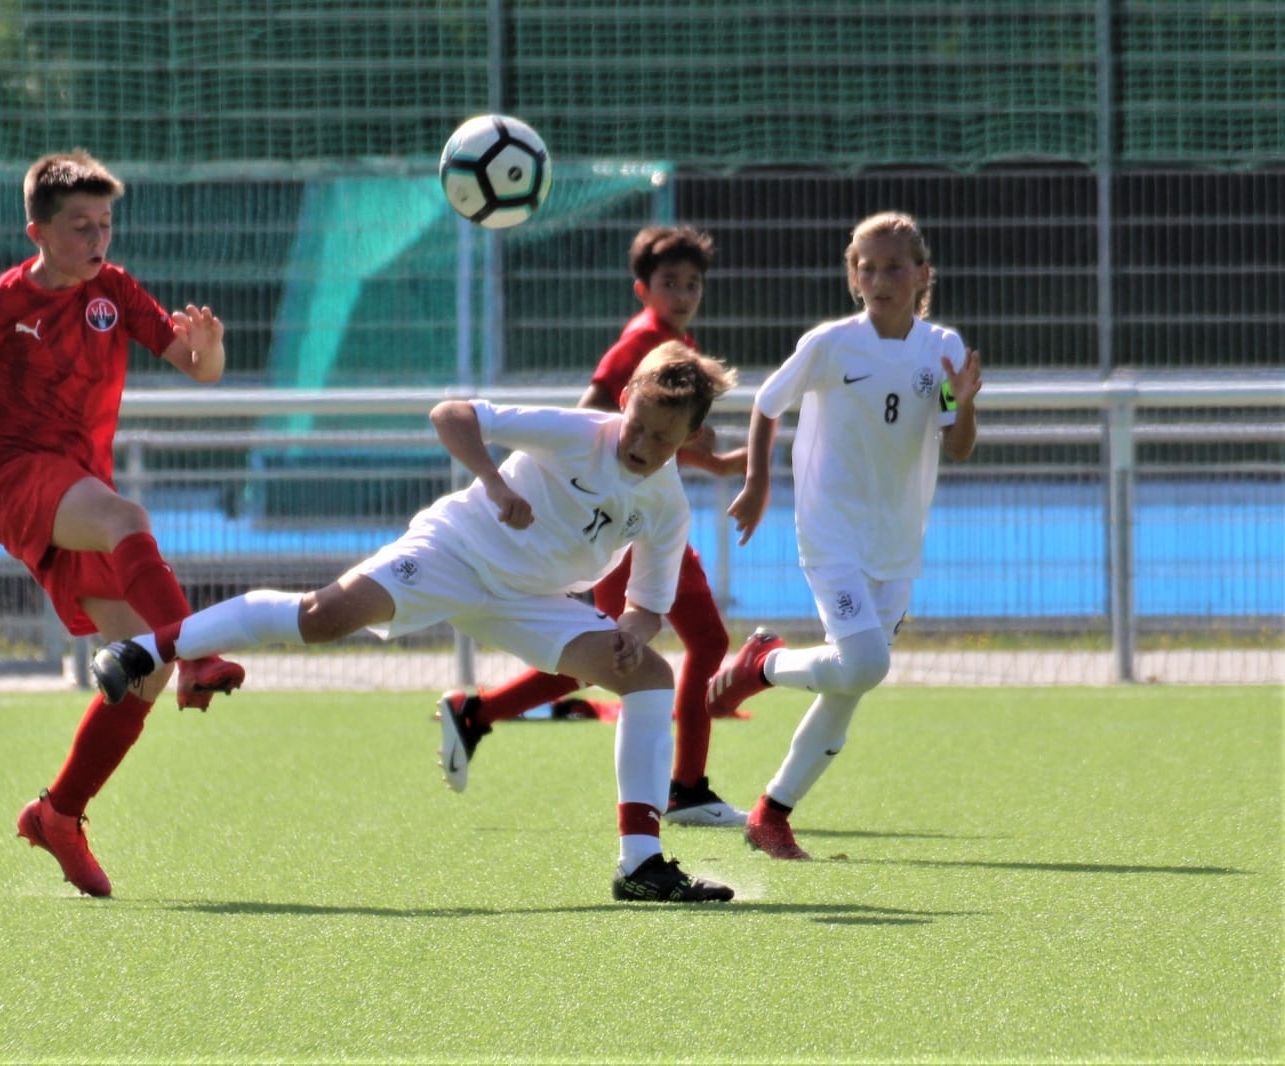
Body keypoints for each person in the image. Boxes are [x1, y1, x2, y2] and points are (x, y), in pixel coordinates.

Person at [91, 342, 740, 903]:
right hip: (454, 552)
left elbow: (648, 605)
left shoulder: (667, 505)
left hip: (533, 600)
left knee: (649, 676)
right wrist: (495, 484)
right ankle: (146, 649)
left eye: (662, 439)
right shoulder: (577, 432)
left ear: (691, 439)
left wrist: (631, 632)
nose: (641, 445)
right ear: (624, 400)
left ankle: (640, 866)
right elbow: (452, 414)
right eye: (637, 426)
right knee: (323, 617)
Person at [0, 149, 246, 897]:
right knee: (127, 520)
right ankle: (200, 652)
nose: (97, 238)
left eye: (105, 223)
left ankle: (59, 814)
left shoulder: (115, 290)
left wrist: (209, 352)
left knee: (144, 666)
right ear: (38, 233)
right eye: (80, 226)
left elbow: (196, 366)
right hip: (11, 475)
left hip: (79, 488)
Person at [435, 225, 752, 828]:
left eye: (692, 284)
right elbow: (596, 425)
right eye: (670, 283)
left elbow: (653, 443)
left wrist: (713, 463)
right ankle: (686, 788)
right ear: (643, 289)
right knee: (665, 648)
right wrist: (594, 500)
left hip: (640, 518)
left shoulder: (677, 344)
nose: (683, 294)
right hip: (624, 528)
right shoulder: (642, 343)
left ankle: (479, 713)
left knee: (610, 655)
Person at [706, 210, 982, 860]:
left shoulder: (942, 347)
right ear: (852, 276)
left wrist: (962, 402)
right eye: (867, 268)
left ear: (922, 275)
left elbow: (957, 443)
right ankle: (763, 665)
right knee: (864, 663)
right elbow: (767, 404)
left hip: (898, 540)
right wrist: (758, 482)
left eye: (894, 268)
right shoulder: (831, 344)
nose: (880, 279)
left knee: (852, 681)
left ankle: (772, 813)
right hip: (831, 529)